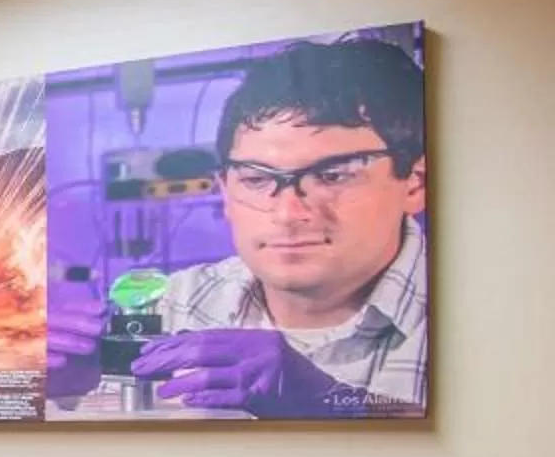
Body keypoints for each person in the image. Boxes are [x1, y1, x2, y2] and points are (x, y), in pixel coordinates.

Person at [47, 36, 426, 417]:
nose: (288, 213)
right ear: (225, 191)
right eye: (256, 180)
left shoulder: (467, 315)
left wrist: (329, 402)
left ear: (415, 183)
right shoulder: (175, 304)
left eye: (332, 175)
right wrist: (64, 383)